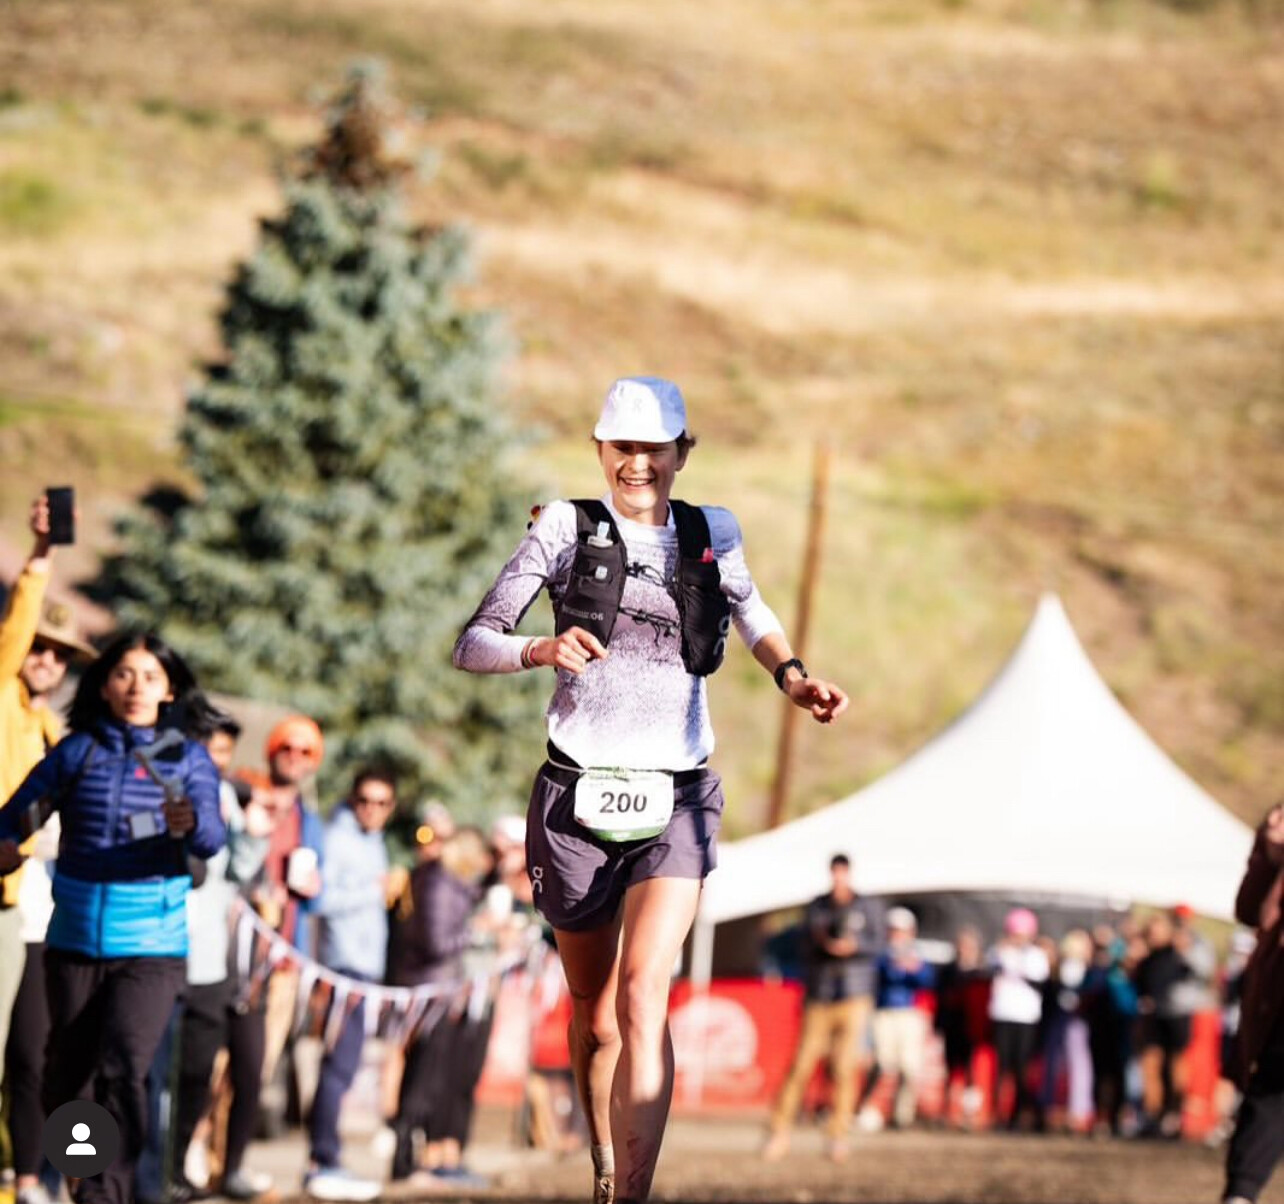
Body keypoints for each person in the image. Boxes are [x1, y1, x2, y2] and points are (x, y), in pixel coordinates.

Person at [452, 376, 849, 1204]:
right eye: (624, 447)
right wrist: (539, 650)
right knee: (595, 1015)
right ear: (601, 450)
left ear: (682, 454)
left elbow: (751, 611)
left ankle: (632, 1193)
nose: (639, 463)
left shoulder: (712, 532)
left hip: (678, 795)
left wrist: (795, 677)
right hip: (576, 796)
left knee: (643, 994)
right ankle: (602, 1155)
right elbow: (474, 642)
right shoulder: (564, 527)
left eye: (655, 449)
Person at [0, 633, 226, 1204]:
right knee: (66, 1079)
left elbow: (211, 838)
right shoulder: (76, 752)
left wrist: (191, 822)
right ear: (104, 685)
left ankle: (105, 1194)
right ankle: (84, 1176)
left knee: (125, 1066)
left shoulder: (185, 758)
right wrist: (6, 844)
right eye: (124, 674)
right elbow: (19, 816)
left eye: (150, 677)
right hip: (74, 941)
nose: (136, 688)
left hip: (151, 945)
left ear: (169, 690)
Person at [0, 495, 96, 1154]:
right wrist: (42, 552)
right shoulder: (3, 697)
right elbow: (17, 623)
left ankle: (25, 1171)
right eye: (39, 647)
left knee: (27, 1051)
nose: (47, 661)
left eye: (61, 655)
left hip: (28, 905)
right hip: (6, 893)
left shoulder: (53, 734)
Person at [215, 715, 325, 1202]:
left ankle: (229, 1166)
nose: (295, 758)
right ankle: (201, 1161)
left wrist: (314, 889)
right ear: (272, 751)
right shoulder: (244, 793)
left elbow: (316, 896)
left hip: (282, 964)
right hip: (231, 956)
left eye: (306, 752)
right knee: (213, 1068)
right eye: (288, 748)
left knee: (252, 1073)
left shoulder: (309, 819)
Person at [304, 767, 400, 1202]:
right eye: (365, 800)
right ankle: (322, 1161)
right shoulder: (338, 839)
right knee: (338, 1066)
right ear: (352, 799)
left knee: (345, 1065)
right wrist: (374, 892)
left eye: (381, 803)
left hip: (366, 969)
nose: (372, 809)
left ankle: (327, 1157)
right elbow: (321, 900)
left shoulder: (373, 841)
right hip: (343, 969)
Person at [388, 825, 493, 1184]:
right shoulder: (438, 884)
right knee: (421, 1080)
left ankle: (411, 1159)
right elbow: (436, 943)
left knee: (430, 1078)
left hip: (443, 993)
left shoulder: (451, 885)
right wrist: (476, 931)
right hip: (429, 993)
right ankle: (404, 1161)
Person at [764, 853, 884, 1163]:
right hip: (820, 994)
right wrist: (821, 941)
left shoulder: (867, 906)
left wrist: (854, 946)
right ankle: (779, 1131)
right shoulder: (817, 907)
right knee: (801, 1065)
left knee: (845, 1068)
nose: (839, 878)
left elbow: (878, 945)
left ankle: (838, 1135)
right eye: (835, 872)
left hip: (854, 996)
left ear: (849, 873)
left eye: (843, 872)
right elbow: (802, 946)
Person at [1221, 803, 1284, 1204]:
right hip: (1275, 990)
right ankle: (1241, 1195)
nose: (1274, 821)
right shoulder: (1271, 851)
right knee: (1270, 1086)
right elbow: (1248, 910)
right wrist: (1269, 858)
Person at [863, 907, 934, 1132]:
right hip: (884, 1013)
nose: (898, 935)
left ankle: (901, 1115)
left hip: (909, 1014)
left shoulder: (918, 955)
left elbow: (927, 981)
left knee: (909, 1066)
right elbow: (874, 977)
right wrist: (894, 966)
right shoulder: (880, 955)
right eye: (894, 930)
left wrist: (913, 969)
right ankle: (864, 1107)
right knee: (882, 1063)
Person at [988, 907, 1048, 1131]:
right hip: (1002, 1014)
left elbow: (1039, 982)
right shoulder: (999, 952)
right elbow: (989, 969)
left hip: (1026, 1018)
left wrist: (1018, 965)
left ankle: (1019, 1115)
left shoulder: (1036, 955)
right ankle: (998, 1114)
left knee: (1022, 1068)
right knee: (1002, 1067)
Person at [933, 924, 991, 1129]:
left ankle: (970, 1113)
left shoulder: (983, 973)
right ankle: (947, 1112)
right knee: (950, 1070)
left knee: (970, 1072)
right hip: (952, 1026)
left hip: (971, 1028)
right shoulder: (947, 971)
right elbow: (940, 999)